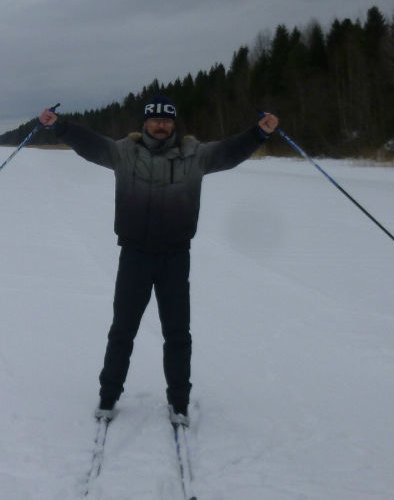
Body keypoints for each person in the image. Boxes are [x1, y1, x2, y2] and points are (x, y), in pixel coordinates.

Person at [38, 96, 279, 424]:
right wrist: (59, 126)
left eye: (167, 120)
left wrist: (258, 134)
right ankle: (108, 397)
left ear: (174, 124)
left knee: (178, 333)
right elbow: (90, 144)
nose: (161, 125)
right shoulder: (123, 153)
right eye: (155, 119)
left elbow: (228, 152)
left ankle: (178, 402)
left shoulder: (195, 155)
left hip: (175, 257)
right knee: (123, 330)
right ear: (145, 122)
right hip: (134, 255)